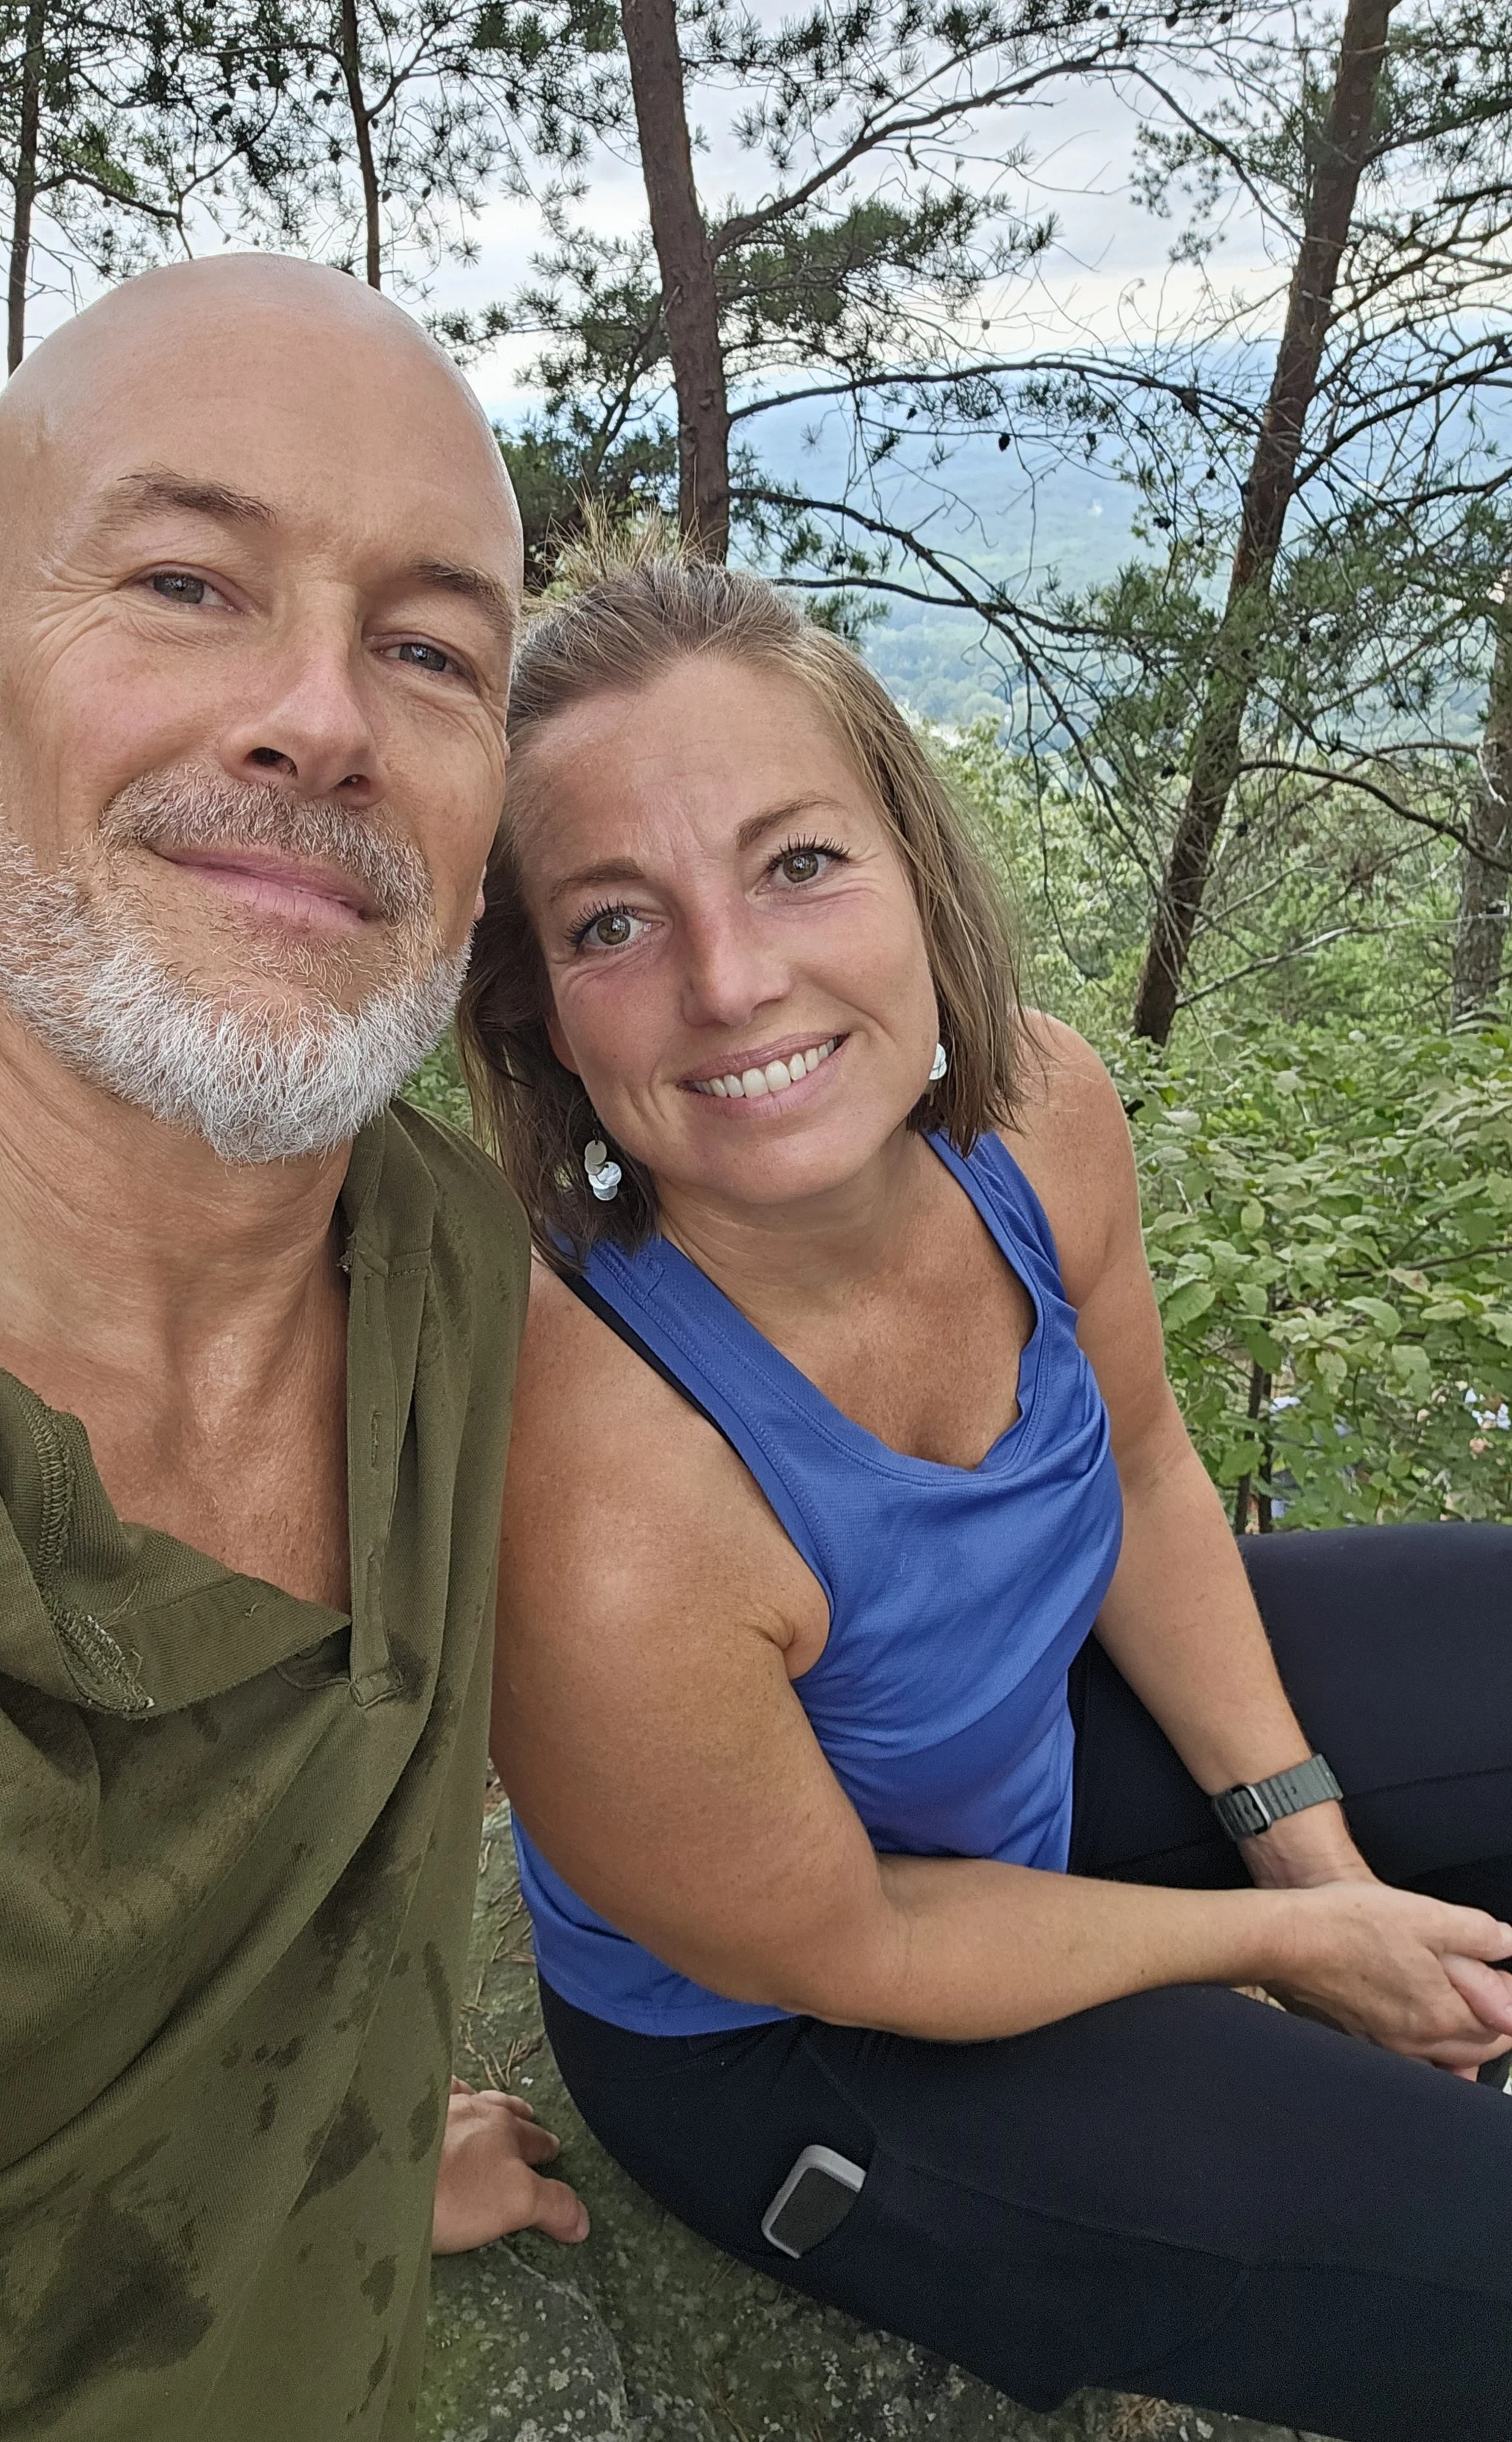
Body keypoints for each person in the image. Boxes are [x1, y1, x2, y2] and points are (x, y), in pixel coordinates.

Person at [459, 537, 1512, 2442]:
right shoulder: (604, 1478)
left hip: (1013, 1762)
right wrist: (1292, 1944)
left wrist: (1309, 1840)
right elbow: (858, 1937)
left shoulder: (1034, 1109)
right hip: (799, 2029)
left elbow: (1131, 1455)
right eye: (612, 921)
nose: (729, 977)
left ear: (912, 870)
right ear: (534, 1005)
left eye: (797, 861)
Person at [0, 256, 582, 2442]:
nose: (318, 717)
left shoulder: (469, 1284)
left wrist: (327, 2161)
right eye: (186, 580)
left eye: (429, 647)